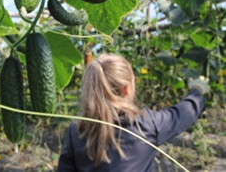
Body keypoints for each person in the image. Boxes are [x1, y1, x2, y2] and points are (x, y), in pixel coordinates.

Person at [57, 53, 210, 172]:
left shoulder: (77, 130)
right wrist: (197, 90)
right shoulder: (146, 124)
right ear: (127, 88)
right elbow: (185, 112)